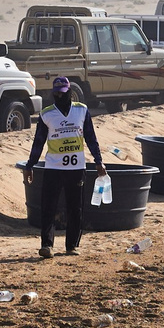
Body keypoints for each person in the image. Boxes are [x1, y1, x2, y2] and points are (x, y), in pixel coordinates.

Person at [24, 76, 105, 256]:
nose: (60, 97)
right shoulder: (46, 114)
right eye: (56, 94)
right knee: (49, 207)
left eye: (63, 93)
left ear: (69, 93)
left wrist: (99, 161)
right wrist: (30, 165)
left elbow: (91, 139)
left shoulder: (82, 111)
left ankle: (72, 246)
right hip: (53, 168)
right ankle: (47, 245)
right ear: (53, 94)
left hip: (76, 169)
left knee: (75, 208)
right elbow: (38, 142)